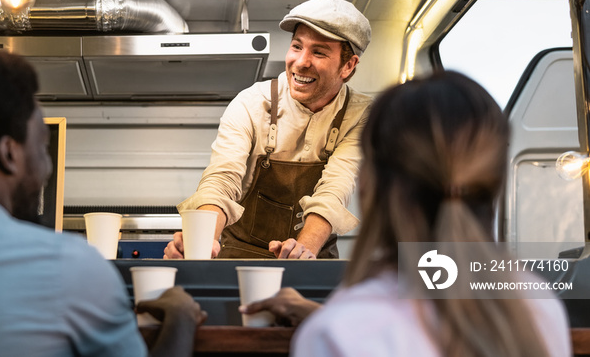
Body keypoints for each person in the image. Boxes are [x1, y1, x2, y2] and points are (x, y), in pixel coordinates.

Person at [0, 50, 205, 357]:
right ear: (9, 154)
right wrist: (180, 319)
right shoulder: (71, 267)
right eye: (42, 147)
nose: (46, 169)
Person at [240, 71, 571, 356]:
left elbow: (382, 330)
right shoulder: (540, 307)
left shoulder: (336, 334)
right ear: (494, 183)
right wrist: (315, 312)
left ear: (367, 184)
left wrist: (326, 318)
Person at [165, 0, 373, 259]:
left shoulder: (361, 116)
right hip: (239, 253)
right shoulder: (251, 103)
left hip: (311, 256)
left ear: (348, 66)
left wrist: (304, 249)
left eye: (318, 52)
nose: (301, 62)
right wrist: (203, 240)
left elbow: (335, 188)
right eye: (297, 46)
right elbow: (222, 179)